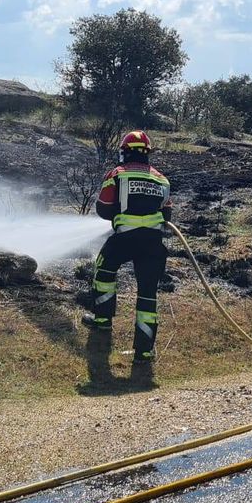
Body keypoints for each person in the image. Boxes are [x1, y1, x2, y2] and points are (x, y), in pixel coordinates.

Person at [85, 130, 172, 364]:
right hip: (152, 244)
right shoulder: (161, 179)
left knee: (104, 271)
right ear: (147, 153)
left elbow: (103, 208)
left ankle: (102, 321)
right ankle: (144, 351)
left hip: (124, 239)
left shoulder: (118, 174)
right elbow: (167, 214)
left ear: (124, 152)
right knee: (148, 294)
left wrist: (120, 212)